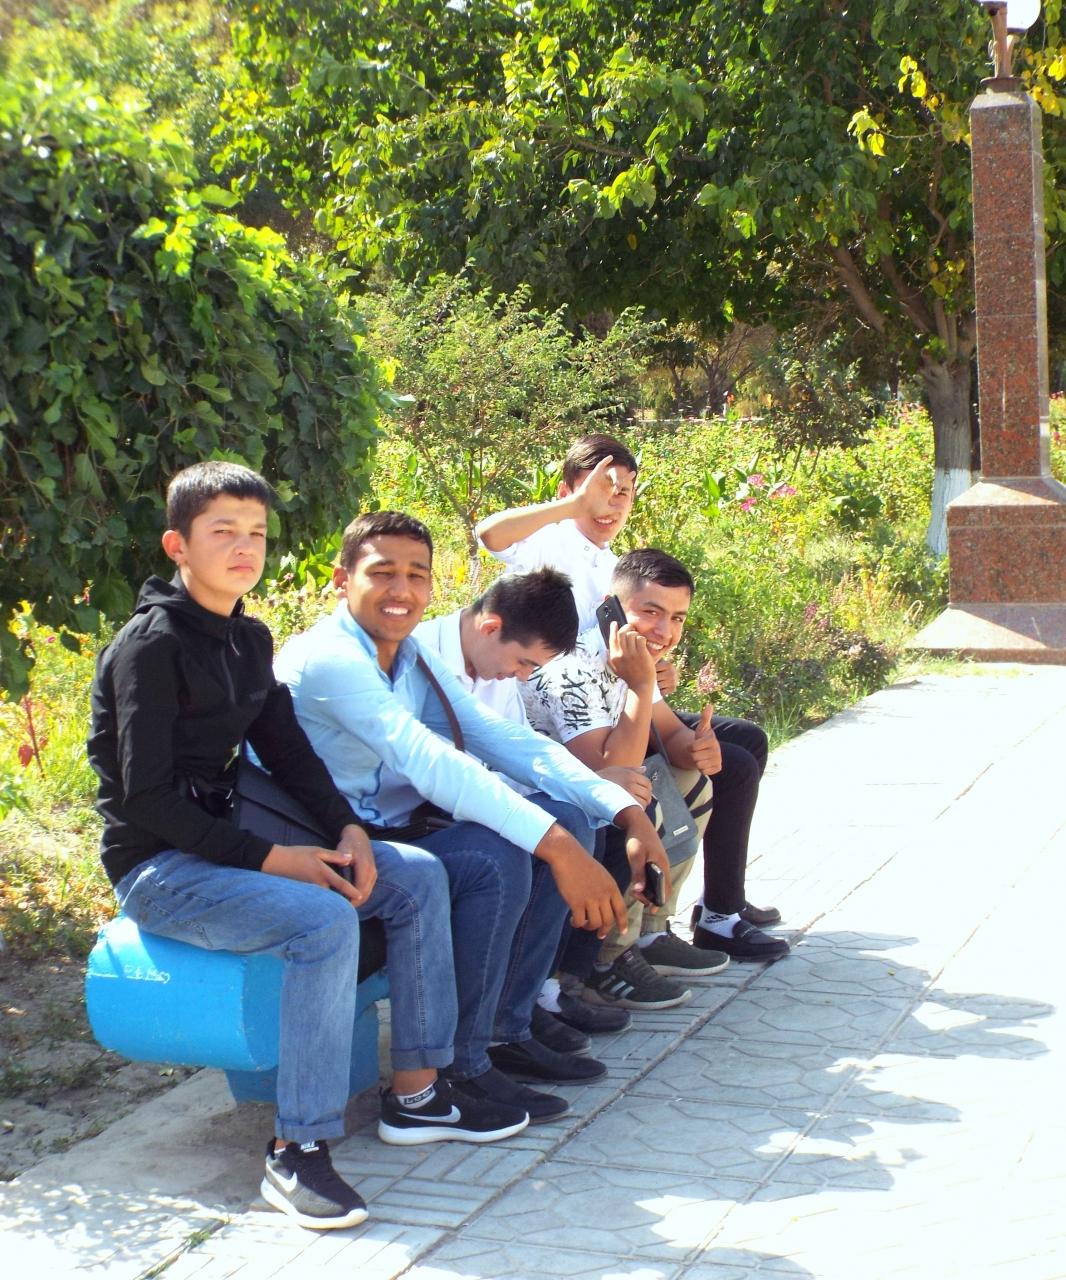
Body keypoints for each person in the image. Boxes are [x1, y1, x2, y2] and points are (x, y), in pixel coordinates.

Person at [87, 463, 527, 1235]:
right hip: (160, 868)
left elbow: (288, 752)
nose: (244, 547)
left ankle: (418, 1095)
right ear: (177, 546)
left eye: (256, 533)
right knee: (322, 920)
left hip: (228, 846)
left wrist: (346, 828)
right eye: (223, 531)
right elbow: (146, 799)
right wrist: (276, 861)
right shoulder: (149, 648)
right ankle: (297, 1150)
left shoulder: (245, 638)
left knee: (417, 876)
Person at [275, 511, 672, 1125]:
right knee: (498, 858)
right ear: (341, 579)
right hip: (320, 842)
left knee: (561, 818)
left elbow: (503, 740)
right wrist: (559, 848)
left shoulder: (407, 657)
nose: (402, 589)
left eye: (417, 574)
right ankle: (456, 1069)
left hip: (389, 829)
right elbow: (430, 761)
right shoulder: (332, 659)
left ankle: (503, 1034)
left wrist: (626, 813)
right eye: (383, 572)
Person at [477, 432, 780, 933]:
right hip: (566, 705)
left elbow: (637, 634)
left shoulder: (615, 564)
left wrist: (658, 670)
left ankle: (721, 903)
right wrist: (575, 506)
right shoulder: (549, 541)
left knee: (743, 743)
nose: (612, 502)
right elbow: (489, 534)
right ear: (568, 490)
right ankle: (683, 922)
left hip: (614, 691)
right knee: (728, 765)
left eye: (624, 491)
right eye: (602, 488)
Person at [522, 548, 789, 1011]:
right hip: (556, 804)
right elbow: (610, 783)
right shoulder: (573, 670)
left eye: (677, 618)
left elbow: (670, 735)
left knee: (692, 778)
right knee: (642, 797)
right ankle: (607, 956)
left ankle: (649, 932)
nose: (664, 631)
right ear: (611, 607)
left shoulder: (631, 657)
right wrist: (643, 686)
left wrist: (699, 746)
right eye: (650, 612)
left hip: (600, 788)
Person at [413, 567, 647, 1041]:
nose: (520, 676)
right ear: (491, 627)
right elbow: (451, 778)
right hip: (415, 819)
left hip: (465, 806)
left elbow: (520, 754)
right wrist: (555, 840)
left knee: (579, 816)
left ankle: (523, 1007)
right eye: (522, 663)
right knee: (522, 847)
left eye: (531, 668)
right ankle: (488, 1034)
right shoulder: (419, 659)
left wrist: (606, 797)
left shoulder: (495, 662)